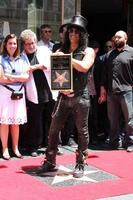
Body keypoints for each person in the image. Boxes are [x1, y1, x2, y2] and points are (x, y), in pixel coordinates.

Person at [36, 15, 95, 178]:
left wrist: (65, 58)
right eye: (71, 30)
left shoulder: (88, 51)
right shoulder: (60, 49)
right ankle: (50, 161)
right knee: (54, 129)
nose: (73, 33)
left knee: (82, 131)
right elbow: (55, 74)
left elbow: (84, 67)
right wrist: (60, 88)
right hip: (63, 96)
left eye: (77, 31)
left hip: (80, 96)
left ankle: (81, 163)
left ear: (82, 34)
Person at [20, 29, 53, 157]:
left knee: (51, 120)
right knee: (35, 122)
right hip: (33, 93)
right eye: (28, 44)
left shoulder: (44, 50)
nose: (31, 46)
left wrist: (35, 67)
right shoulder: (21, 57)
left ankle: (50, 144)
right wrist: (35, 67)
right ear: (24, 44)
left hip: (49, 91)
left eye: (33, 43)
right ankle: (33, 146)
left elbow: (51, 64)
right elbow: (22, 72)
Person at [100, 30, 133, 152]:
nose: (116, 39)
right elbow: (105, 73)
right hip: (111, 92)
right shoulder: (110, 54)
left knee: (130, 119)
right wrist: (103, 89)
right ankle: (113, 143)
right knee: (112, 120)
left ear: (126, 39)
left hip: (127, 91)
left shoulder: (131, 52)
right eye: (115, 37)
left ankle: (130, 142)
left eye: (119, 37)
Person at [0, 34, 29, 160]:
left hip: (19, 93)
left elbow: (26, 77)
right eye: (10, 43)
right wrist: (18, 78)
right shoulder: (1, 59)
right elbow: (1, 78)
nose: (12, 46)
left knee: (16, 123)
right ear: (5, 45)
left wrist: (11, 77)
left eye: (14, 43)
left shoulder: (22, 58)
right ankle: (5, 149)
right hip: (5, 93)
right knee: (5, 122)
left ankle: (15, 148)